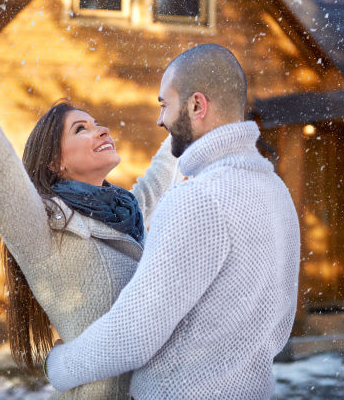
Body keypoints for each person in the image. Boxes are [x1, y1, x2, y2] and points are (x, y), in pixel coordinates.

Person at [0, 7, 177, 399]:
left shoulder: (123, 213)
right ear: (55, 162)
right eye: (82, 128)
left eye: (96, 123)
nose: (101, 129)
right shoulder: (45, 226)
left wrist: (185, 125)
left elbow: (159, 180)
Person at [45, 44, 301, 399]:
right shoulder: (276, 191)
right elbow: (280, 322)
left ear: (197, 106)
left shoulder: (197, 199)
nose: (159, 120)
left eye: (165, 105)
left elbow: (134, 332)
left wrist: (60, 365)